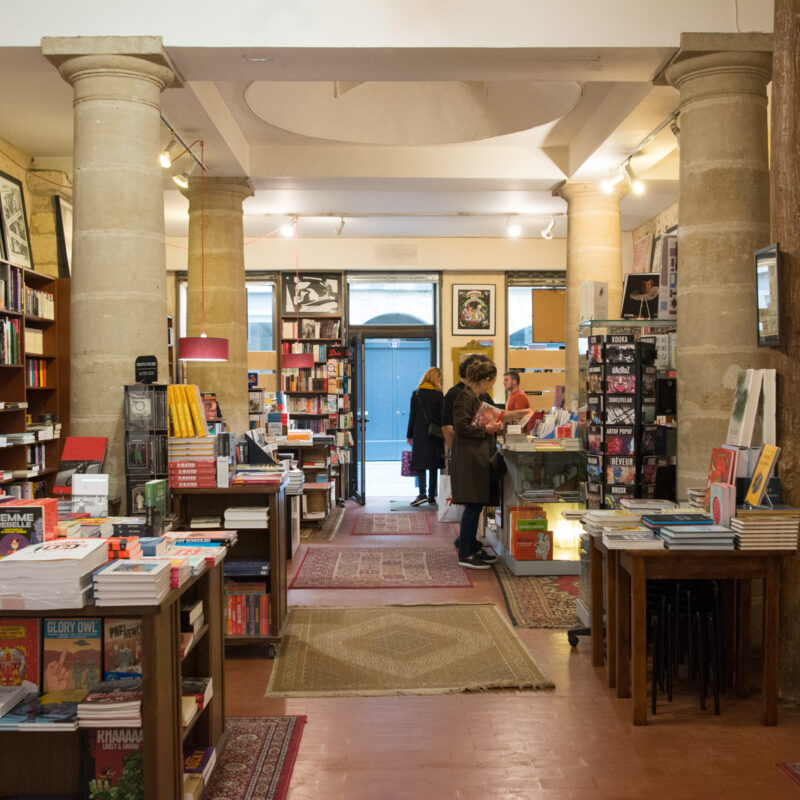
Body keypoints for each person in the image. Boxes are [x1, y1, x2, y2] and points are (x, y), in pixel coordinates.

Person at [451, 358, 504, 569]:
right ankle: (466, 553)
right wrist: (487, 429)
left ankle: (472, 546)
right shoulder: (465, 397)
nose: (492, 385)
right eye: (492, 381)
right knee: (473, 505)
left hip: (475, 456)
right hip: (469, 458)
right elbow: (462, 428)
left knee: (477, 503)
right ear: (486, 379)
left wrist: (490, 426)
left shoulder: (473, 396)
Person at [406, 367, 445, 507]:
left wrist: (409, 435)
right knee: (433, 464)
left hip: (420, 433)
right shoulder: (439, 395)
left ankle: (421, 494)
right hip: (435, 434)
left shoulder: (416, 394)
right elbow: (443, 417)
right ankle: (431, 497)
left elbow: (413, 416)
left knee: (420, 464)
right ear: (437, 379)